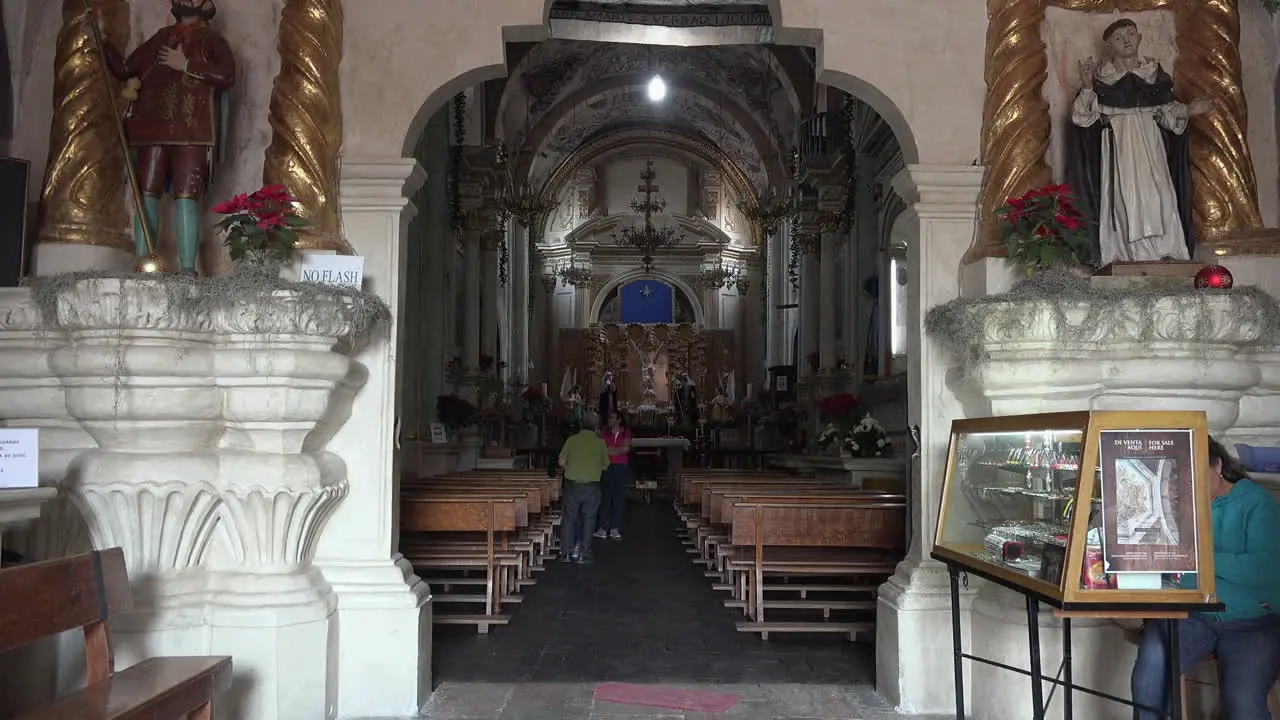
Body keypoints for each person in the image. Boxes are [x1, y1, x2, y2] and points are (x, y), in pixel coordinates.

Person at [1130, 437, 1280, 719]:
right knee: (1150, 671)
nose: (1187, 486)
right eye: (1180, 477)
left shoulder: (1256, 504)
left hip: (1253, 622)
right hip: (1193, 615)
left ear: (1217, 466)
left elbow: (1264, 568)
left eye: (1194, 474)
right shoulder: (1177, 506)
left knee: (1243, 700)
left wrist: (1198, 558)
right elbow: (1168, 566)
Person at [100, 0, 236, 275]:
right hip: (152, 130)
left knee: (186, 197)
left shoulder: (210, 40)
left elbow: (226, 74)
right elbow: (127, 69)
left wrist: (185, 64)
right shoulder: (162, 37)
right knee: (146, 194)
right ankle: (143, 263)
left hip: (191, 133)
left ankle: (187, 269)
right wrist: (102, 41)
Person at [1067, 18, 1209, 267]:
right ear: (1110, 46)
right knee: (1126, 204)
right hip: (1119, 150)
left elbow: (1168, 112)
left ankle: (1166, 252)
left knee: (1161, 200)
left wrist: (1188, 111)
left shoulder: (1153, 77)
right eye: (1119, 38)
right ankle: (1127, 256)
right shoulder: (1102, 80)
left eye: (1131, 34)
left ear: (1140, 38)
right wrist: (1088, 86)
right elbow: (1081, 117)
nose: (1126, 40)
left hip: (1151, 149)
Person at [557, 421, 609, 564]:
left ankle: (566, 553)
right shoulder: (600, 443)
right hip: (591, 486)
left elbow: (561, 461)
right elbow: (605, 466)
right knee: (589, 518)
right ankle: (584, 554)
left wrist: (571, 467)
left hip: (572, 485)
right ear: (596, 427)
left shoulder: (571, 440)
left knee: (568, 519)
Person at [594, 411, 632, 541]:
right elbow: (601, 448)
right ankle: (603, 528)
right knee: (605, 497)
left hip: (620, 467)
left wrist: (610, 449)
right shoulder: (605, 432)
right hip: (607, 466)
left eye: (612, 418)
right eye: (609, 417)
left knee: (617, 498)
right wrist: (617, 449)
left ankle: (615, 528)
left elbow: (626, 449)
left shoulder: (625, 432)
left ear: (619, 420)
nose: (609, 420)